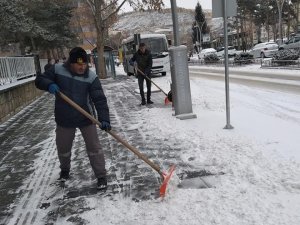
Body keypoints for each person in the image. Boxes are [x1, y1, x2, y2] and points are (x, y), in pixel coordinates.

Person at [35, 47, 111, 190]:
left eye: (84, 64)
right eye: (78, 64)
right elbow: (40, 79)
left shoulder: (91, 77)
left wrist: (104, 119)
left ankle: (101, 176)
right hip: (64, 118)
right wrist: (49, 84)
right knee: (63, 148)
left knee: (95, 148)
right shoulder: (57, 70)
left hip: (86, 117)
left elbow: (99, 99)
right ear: (71, 63)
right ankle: (65, 170)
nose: (82, 67)